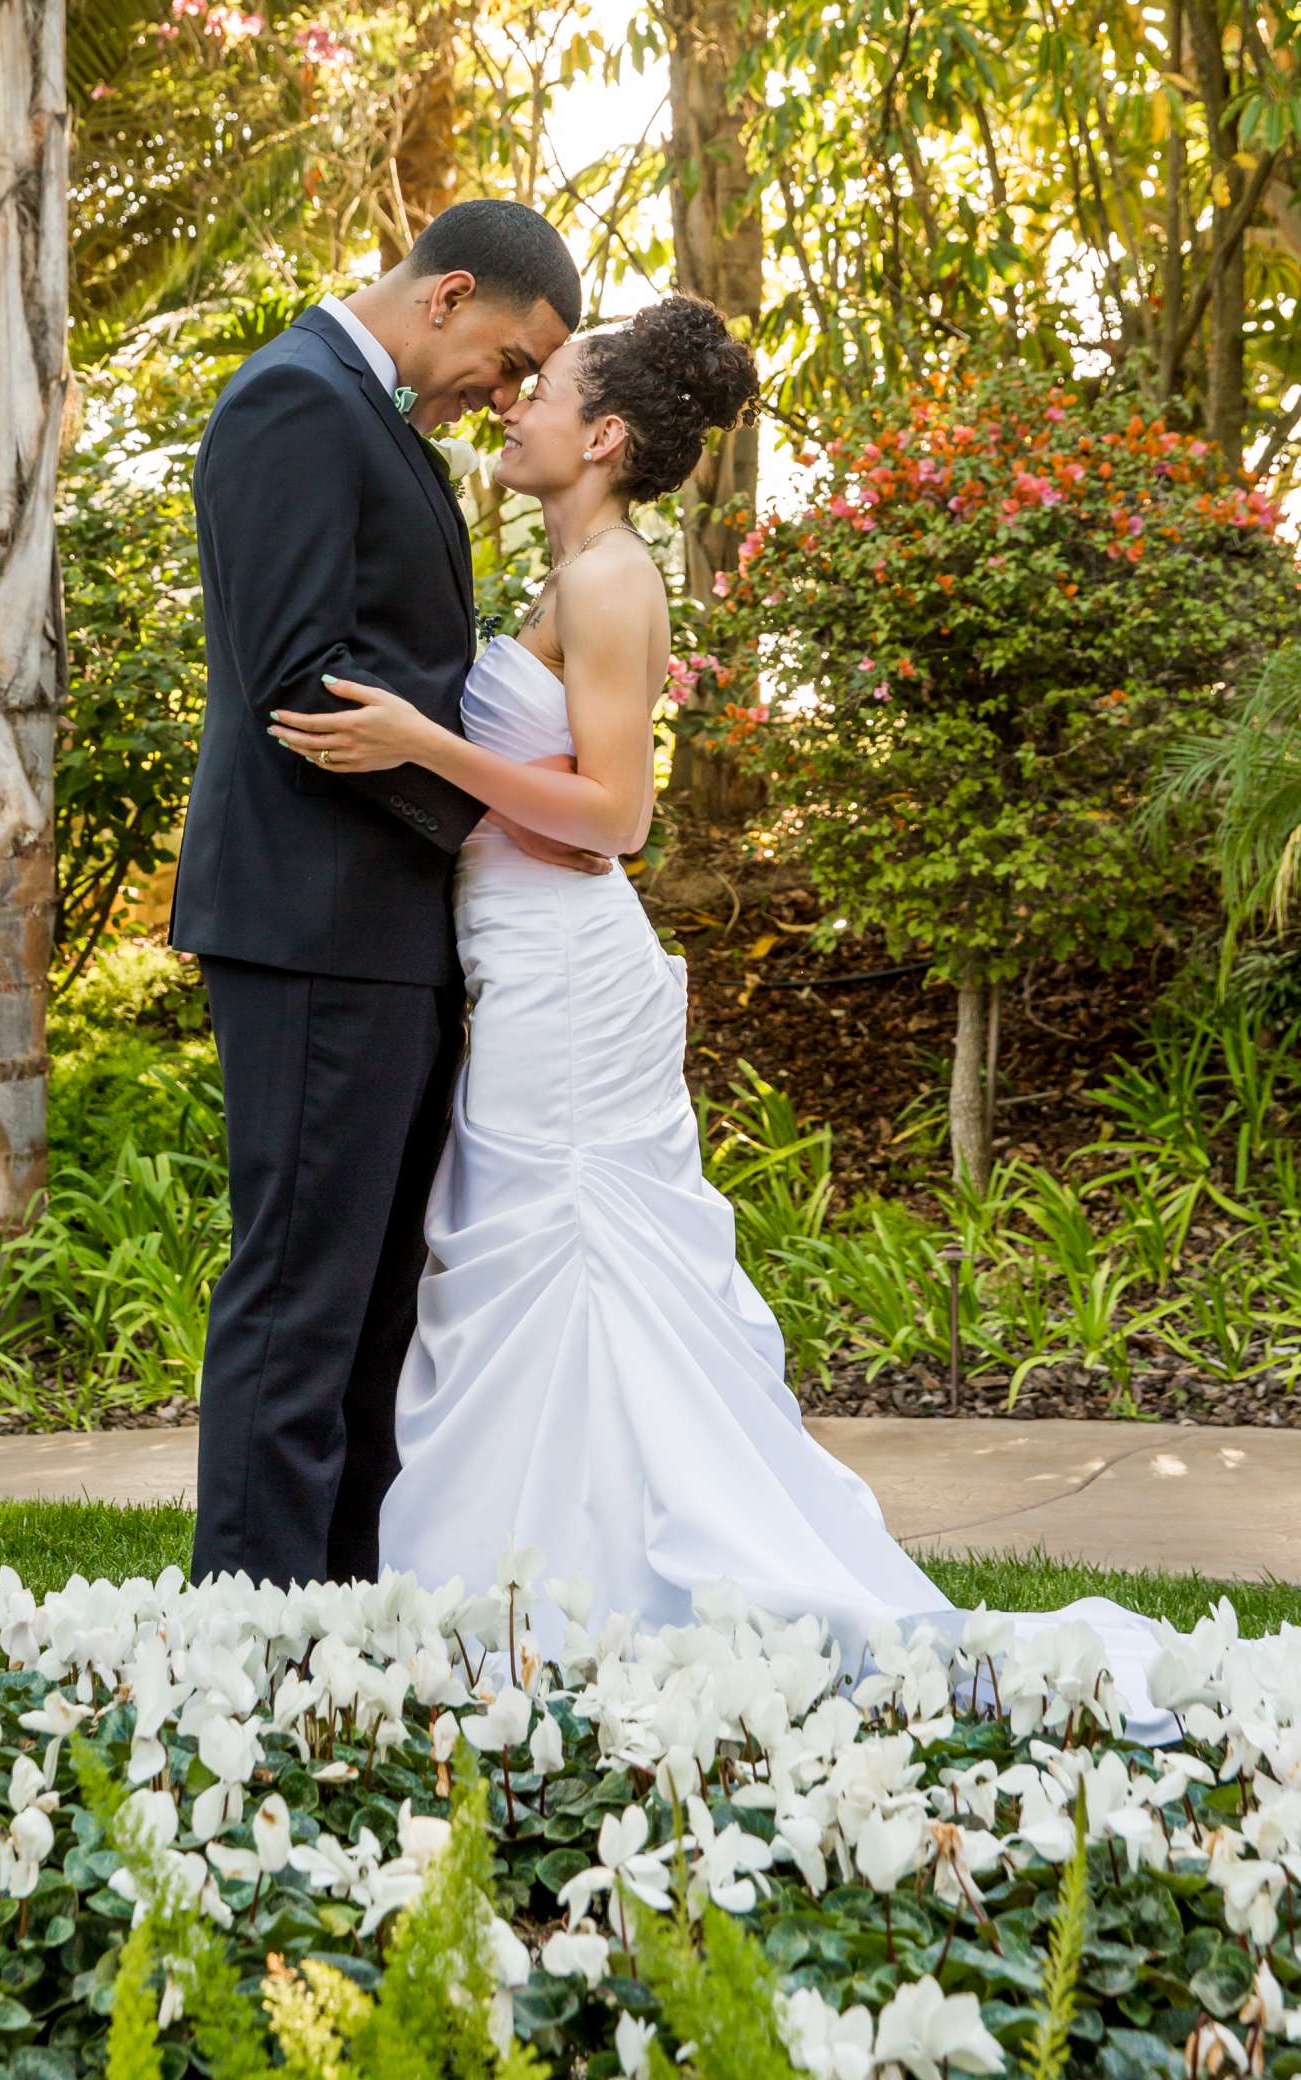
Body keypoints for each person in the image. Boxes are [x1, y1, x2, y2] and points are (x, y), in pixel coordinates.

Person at [268, 293, 1174, 1732]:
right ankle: (551, 1580)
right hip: (524, 960)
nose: (513, 401)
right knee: (529, 1279)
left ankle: (555, 1594)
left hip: (569, 978)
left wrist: (423, 741)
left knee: (555, 1271)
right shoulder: (574, 569)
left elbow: (617, 815)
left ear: (606, 435)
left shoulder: (617, 579)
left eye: (541, 386)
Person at [170, 200, 599, 1592]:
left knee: (363, 1322)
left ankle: (339, 1632)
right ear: (448, 293)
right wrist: (484, 795)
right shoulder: (292, 402)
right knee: (299, 1302)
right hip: (313, 925)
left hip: (387, 929)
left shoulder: (380, 424)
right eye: (515, 355)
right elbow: (302, 683)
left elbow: (399, 664)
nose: (512, 389)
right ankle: (243, 1642)